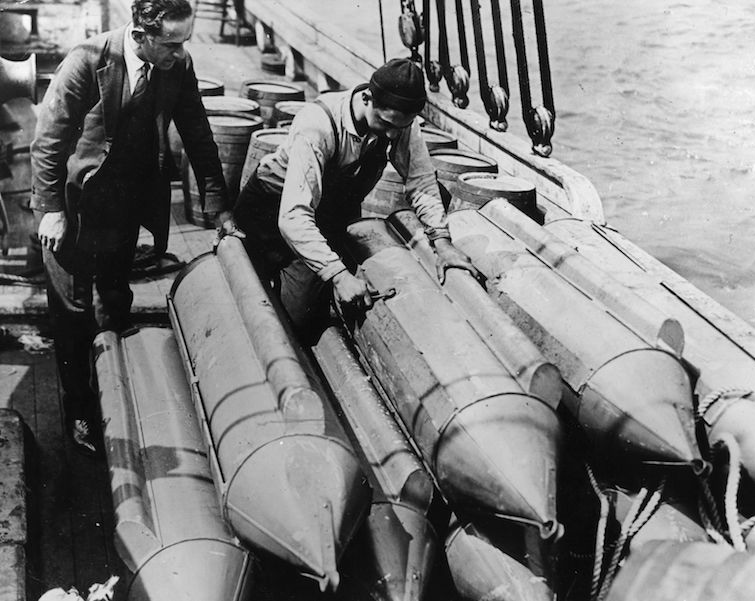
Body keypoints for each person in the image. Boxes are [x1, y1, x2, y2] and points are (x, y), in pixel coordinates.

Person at [30, 0, 232, 456]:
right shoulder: (87, 61)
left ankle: (115, 398)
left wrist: (218, 206)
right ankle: (79, 412)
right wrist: (50, 210)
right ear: (140, 35)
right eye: (172, 42)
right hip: (75, 206)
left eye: (185, 41)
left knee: (115, 301)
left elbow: (198, 133)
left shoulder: (176, 66)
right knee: (72, 314)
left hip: (124, 203)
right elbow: (48, 139)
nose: (180, 52)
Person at [229, 57, 477, 340]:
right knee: (248, 296)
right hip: (270, 210)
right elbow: (293, 216)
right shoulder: (318, 125)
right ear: (367, 98)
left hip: (325, 212)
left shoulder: (399, 122)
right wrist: (338, 275)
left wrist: (442, 243)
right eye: (386, 123)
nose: (392, 134)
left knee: (301, 320)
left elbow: (420, 180)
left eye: (400, 127)